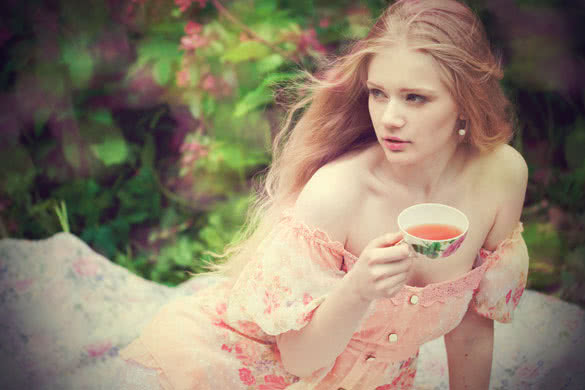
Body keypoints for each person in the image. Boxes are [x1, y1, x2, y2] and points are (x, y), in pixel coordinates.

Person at [1, 0, 584, 389]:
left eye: (416, 98)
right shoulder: (340, 191)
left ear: (466, 101)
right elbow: (299, 360)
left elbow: (473, 324)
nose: (389, 118)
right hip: (261, 369)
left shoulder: (501, 175)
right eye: (379, 93)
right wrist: (357, 288)